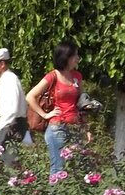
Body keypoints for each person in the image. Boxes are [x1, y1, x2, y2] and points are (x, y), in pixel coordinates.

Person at [27, 40, 88, 175]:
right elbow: (30, 96)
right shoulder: (53, 76)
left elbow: (81, 103)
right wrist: (45, 114)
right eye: (75, 55)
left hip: (74, 127)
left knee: (76, 169)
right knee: (59, 169)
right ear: (66, 57)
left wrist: (86, 128)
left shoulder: (77, 76)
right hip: (57, 127)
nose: (78, 58)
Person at [0, 47, 29, 167]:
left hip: (12, 126)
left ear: (2, 64)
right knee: (4, 161)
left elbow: (11, 110)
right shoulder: (6, 79)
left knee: (9, 163)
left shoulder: (9, 80)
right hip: (10, 124)